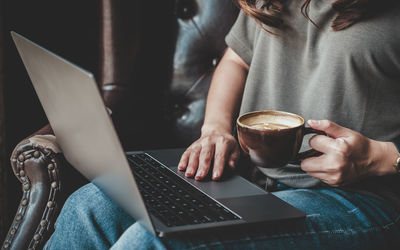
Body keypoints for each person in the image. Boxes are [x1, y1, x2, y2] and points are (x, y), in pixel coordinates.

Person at [45, 0, 400, 249]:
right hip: (261, 187)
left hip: (368, 202)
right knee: (91, 205)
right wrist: (215, 127)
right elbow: (235, 60)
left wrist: (380, 158)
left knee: (152, 243)